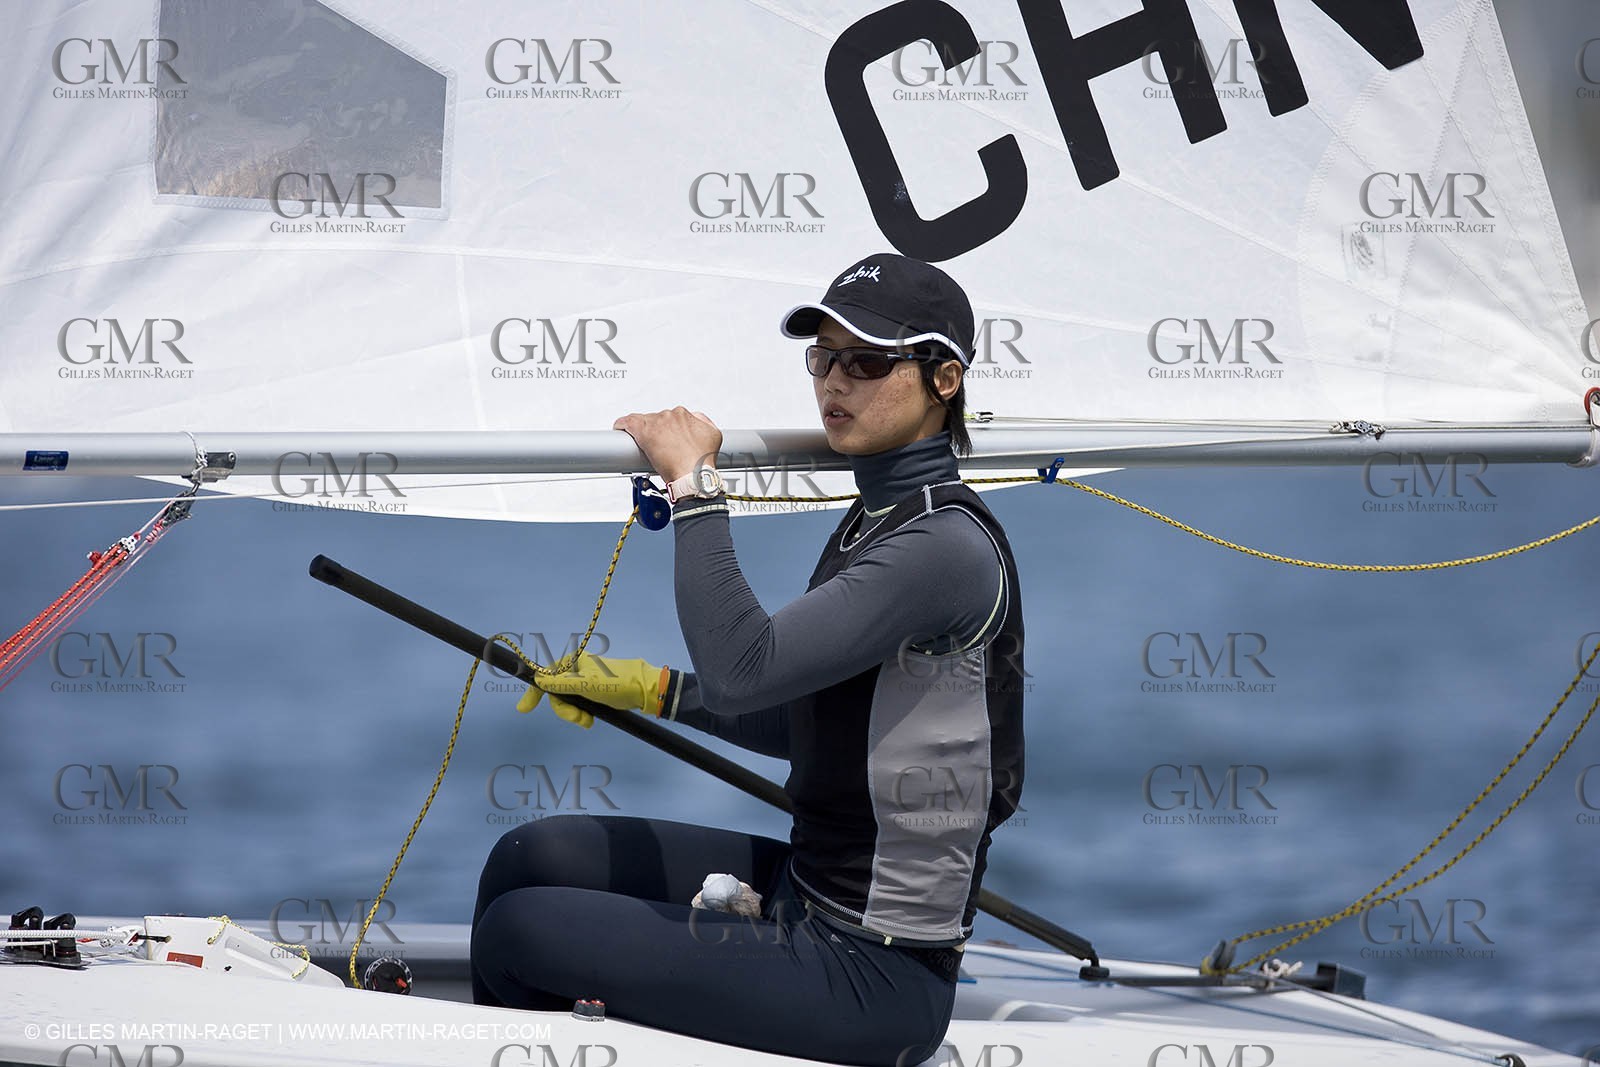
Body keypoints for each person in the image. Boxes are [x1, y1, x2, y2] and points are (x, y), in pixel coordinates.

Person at [470, 252, 1026, 1067]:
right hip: (809, 895)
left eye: (868, 361)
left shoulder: (945, 546)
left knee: (522, 931)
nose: (837, 382)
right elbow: (811, 719)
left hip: (874, 975)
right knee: (531, 854)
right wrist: (659, 690)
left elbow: (745, 666)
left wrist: (695, 486)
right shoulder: (878, 520)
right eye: (824, 358)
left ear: (945, 379)